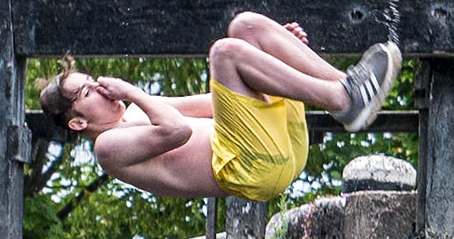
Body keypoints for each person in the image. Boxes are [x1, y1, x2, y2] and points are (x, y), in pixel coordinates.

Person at [39, 13, 400, 204]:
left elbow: (218, 104)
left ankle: (350, 89)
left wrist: (272, 55)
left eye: (92, 80)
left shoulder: (137, 113)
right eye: (87, 91)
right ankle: (345, 98)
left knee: (246, 27)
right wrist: (135, 91)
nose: (100, 87)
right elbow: (176, 131)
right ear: (77, 122)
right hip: (251, 168)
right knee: (224, 52)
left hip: (275, 146)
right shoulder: (108, 148)